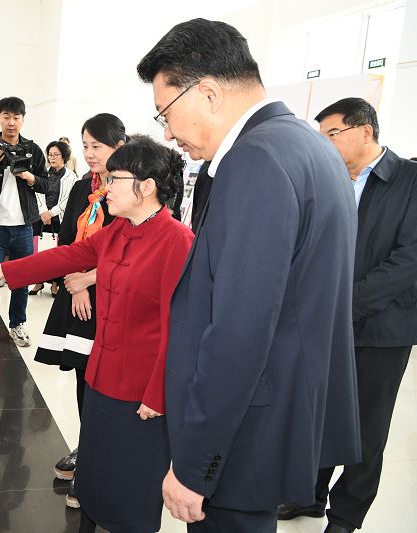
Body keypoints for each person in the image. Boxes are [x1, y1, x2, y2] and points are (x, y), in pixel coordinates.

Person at [136, 18, 361, 532]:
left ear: (208, 93)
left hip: (242, 432)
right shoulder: (311, 146)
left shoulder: (253, 160)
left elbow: (238, 331)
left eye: (166, 113)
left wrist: (196, 466)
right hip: (283, 412)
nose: (167, 133)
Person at [0, 136, 194, 533]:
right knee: (94, 480)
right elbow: (69, 256)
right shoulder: (119, 229)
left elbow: (181, 328)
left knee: (130, 492)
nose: (106, 188)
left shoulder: (177, 241)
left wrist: (158, 394)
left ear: (146, 187)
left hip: (141, 397)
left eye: (115, 179)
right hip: (101, 380)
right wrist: (4, 270)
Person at [277, 98, 417, 533]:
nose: (325, 144)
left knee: (366, 430)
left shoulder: (410, 180)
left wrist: (344, 304)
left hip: (383, 329)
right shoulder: (328, 179)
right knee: (318, 414)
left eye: (332, 134)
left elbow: (407, 261)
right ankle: (309, 495)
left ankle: (345, 517)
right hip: (325, 323)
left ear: (365, 131)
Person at [33, 114, 124, 506]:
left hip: (114, 297)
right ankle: (88, 448)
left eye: (97, 146)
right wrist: (75, 282)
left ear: (119, 147)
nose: (89, 154)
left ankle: (100, 461)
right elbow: (69, 242)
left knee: (106, 382)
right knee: (83, 376)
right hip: (77, 294)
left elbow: (131, 253)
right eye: (85, 146)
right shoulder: (81, 187)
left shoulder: (131, 188)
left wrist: (88, 281)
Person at [0, 96, 50, 347]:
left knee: (21, 280)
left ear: (23, 120)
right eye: (6, 116)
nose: (11, 122)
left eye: (16, 117)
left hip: (24, 227)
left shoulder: (33, 150)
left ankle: (17, 324)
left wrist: (28, 176)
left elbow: (47, 185)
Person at [29, 140, 79, 296]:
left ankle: (55, 284)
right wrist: (44, 212)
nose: (52, 158)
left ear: (64, 156)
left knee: (57, 253)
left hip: (60, 219)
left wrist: (51, 213)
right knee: (39, 251)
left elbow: (68, 199)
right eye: (50, 155)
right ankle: (38, 282)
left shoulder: (71, 176)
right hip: (41, 217)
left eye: (56, 154)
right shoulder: (43, 173)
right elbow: (37, 193)